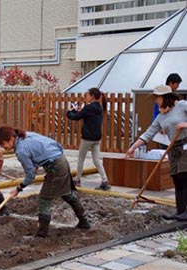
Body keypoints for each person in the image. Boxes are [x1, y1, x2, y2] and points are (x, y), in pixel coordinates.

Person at [0, 126, 91, 237]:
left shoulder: (21, 151)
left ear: (11, 139)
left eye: (3, 144)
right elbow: (54, 146)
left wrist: (19, 188)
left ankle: (42, 233)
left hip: (55, 168)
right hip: (62, 161)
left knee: (44, 199)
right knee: (66, 194)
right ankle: (84, 222)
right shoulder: (26, 135)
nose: (3, 147)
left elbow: (30, 176)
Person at [126, 85, 187, 221]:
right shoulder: (161, 117)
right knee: (177, 178)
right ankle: (181, 211)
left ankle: (185, 211)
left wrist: (185, 125)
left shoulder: (182, 105)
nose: (155, 100)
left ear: (165, 97)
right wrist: (133, 148)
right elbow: (148, 134)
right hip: (174, 148)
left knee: (184, 177)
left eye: (156, 97)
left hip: (185, 145)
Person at [67, 87, 111, 190]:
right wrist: (81, 111)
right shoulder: (99, 107)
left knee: (81, 159)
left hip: (87, 138)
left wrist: (70, 112)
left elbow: (76, 117)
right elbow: (85, 114)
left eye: (87, 95)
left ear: (92, 96)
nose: (85, 97)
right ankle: (105, 181)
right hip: (96, 138)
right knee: (96, 160)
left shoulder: (89, 108)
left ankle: (77, 179)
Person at [153, 73, 183, 149]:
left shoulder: (175, 96)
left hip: (173, 130)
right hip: (164, 130)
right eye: (177, 84)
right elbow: (156, 113)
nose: (178, 86)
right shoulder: (162, 95)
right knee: (164, 151)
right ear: (171, 83)